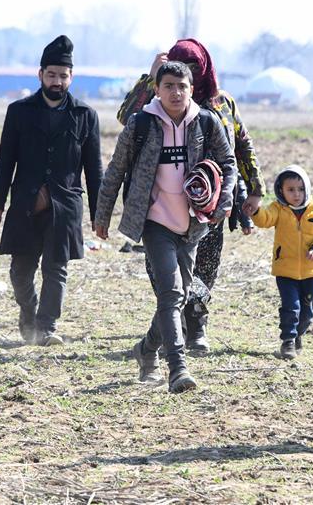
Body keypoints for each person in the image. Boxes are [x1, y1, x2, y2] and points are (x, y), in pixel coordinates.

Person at [95, 61, 236, 392]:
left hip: (192, 224)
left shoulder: (205, 121)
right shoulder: (141, 123)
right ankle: (177, 368)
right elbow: (116, 169)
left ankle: (146, 350)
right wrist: (103, 215)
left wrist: (225, 200)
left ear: (190, 89)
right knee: (171, 292)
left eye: (182, 86)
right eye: (169, 86)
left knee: (180, 296)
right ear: (157, 89)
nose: (176, 92)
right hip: (155, 222)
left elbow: (228, 163)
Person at [116, 38, 264, 353]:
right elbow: (125, 117)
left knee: (204, 270)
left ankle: (195, 327)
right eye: (183, 68)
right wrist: (150, 78)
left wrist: (255, 189)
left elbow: (241, 147)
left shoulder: (222, 103)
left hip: (207, 205)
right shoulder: (157, 100)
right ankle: (172, 330)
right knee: (164, 274)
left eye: (195, 68)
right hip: (160, 206)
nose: (188, 77)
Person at [0, 35, 103, 347]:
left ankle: (46, 328)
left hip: (64, 207)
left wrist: (99, 214)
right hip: (25, 203)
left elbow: (94, 170)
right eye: (51, 75)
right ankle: (29, 313)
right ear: (40, 75)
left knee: (56, 269)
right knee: (20, 272)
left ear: (71, 77)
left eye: (63, 76)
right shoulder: (19, 112)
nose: (57, 81)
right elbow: (5, 160)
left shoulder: (85, 116)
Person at [251, 166, 313, 359]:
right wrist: (254, 211)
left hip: (311, 272)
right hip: (285, 271)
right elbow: (265, 219)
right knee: (291, 307)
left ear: (307, 189)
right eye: (291, 189)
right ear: (281, 190)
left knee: (308, 311)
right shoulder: (278, 209)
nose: (296, 194)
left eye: (300, 189)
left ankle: (298, 334)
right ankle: (287, 341)